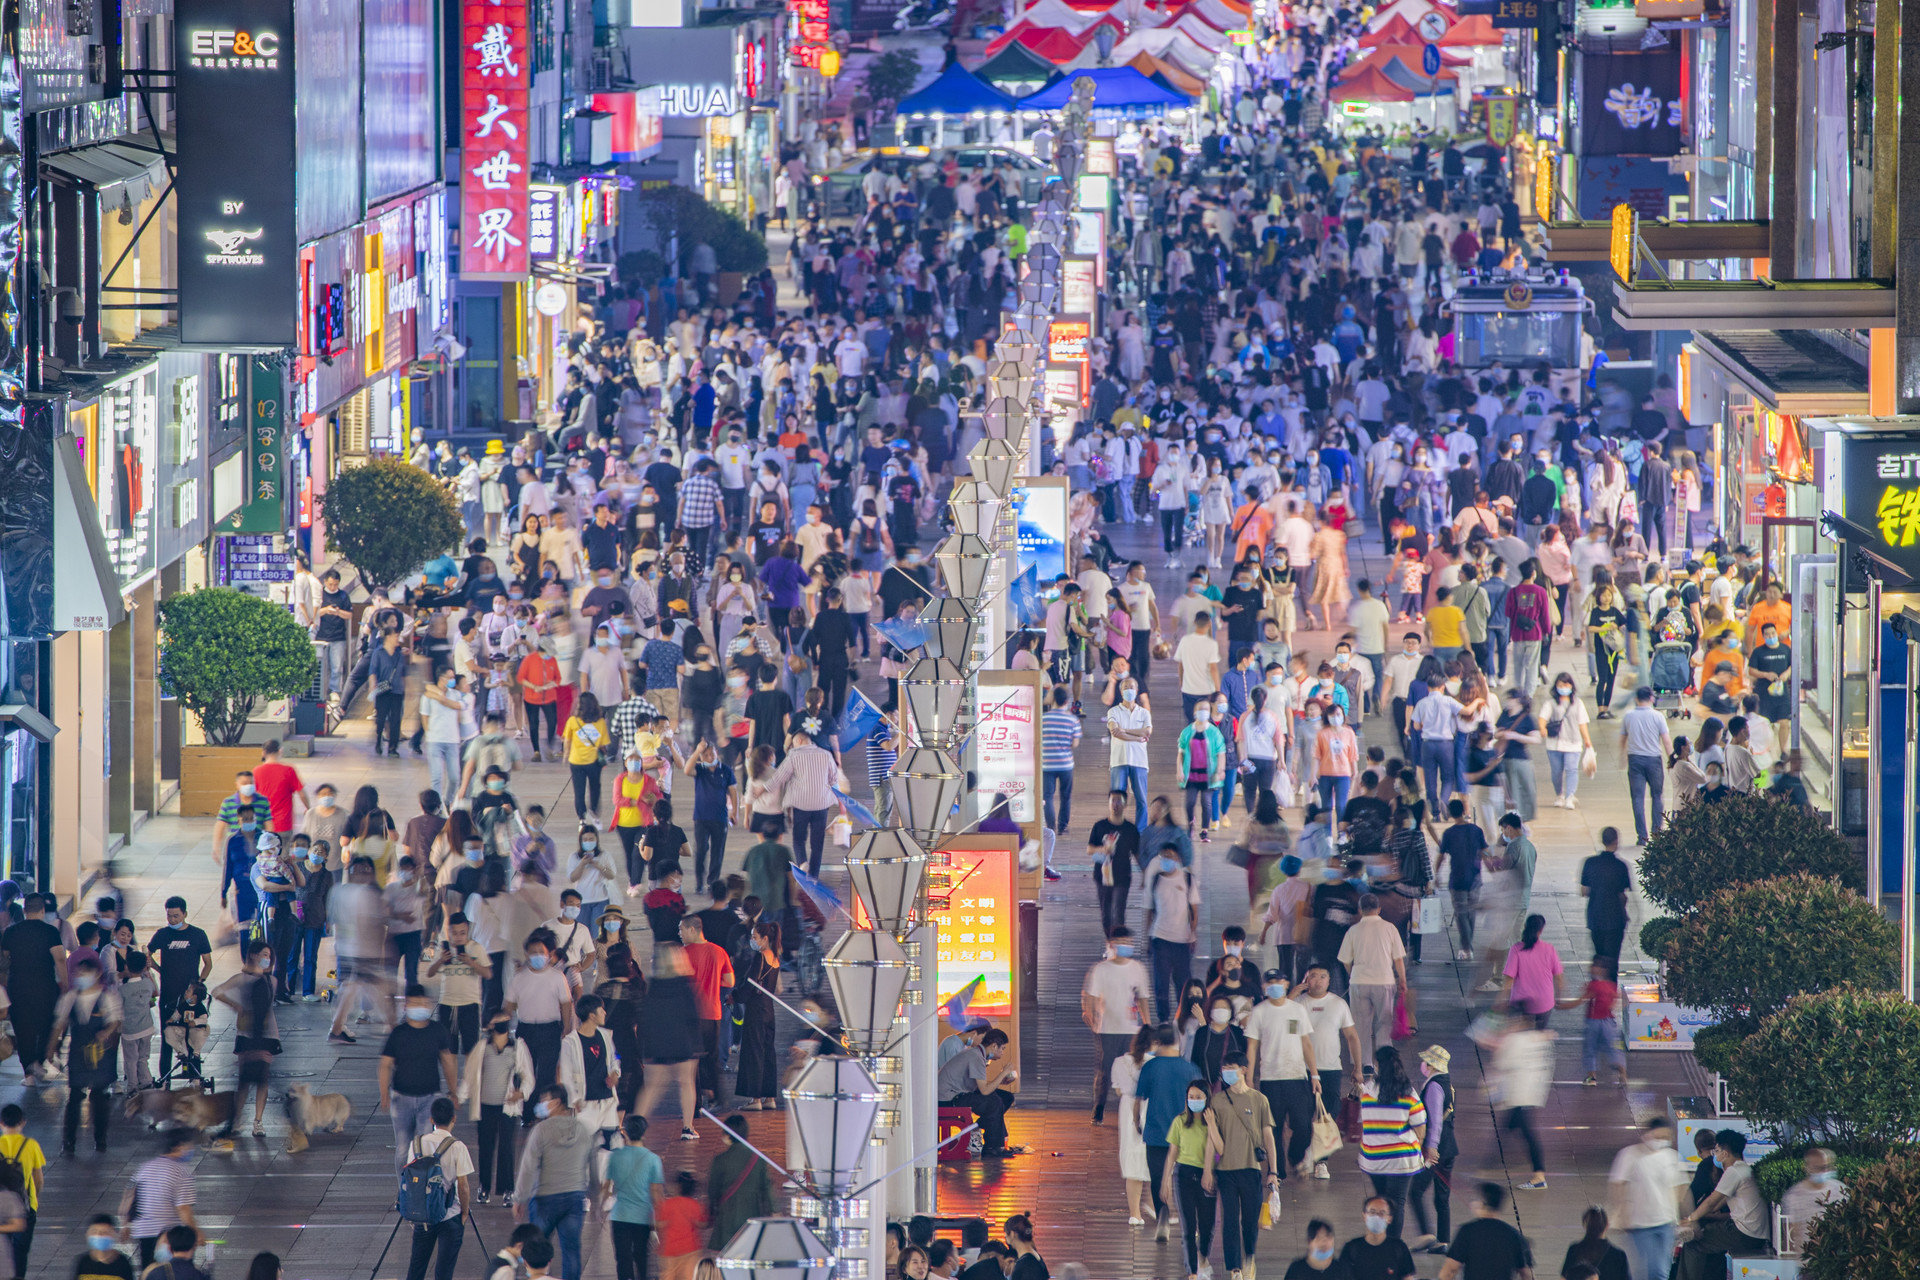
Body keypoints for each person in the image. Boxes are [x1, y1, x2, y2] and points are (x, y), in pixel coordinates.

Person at [1204, 1049, 1277, 1280]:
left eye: (1231, 1067)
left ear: (1243, 1069)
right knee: (1229, 1221)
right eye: (1224, 1068)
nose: (1226, 1072)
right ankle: (1235, 1268)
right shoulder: (1217, 1100)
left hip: (1251, 1169)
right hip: (1225, 1171)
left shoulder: (1259, 1099)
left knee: (1249, 1219)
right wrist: (1208, 1170)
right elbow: (1211, 1140)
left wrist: (1273, 1172)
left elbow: (1269, 1137)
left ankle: (1250, 1257)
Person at [1244, 968, 1320, 1180]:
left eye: (1279, 981)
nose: (1275, 986)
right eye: (1270, 983)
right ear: (1264, 987)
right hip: (1270, 1080)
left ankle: (1296, 1156)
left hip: (1297, 1078)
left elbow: (1306, 1043)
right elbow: (1252, 1047)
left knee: (1304, 1125)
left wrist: (1314, 1075)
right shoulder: (1259, 1012)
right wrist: (1249, 1078)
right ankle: (1277, 1171)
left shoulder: (1297, 1010)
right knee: (1273, 1129)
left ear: (1287, 984)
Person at [515, 1084, 596, 1280]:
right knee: (571, 1251)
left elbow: (528, 1167)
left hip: (544, 1199)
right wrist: (595, 1194)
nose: (541, 1104)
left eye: (544, 1100)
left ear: (557, 1102)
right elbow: (593, 1164)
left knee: (537, 1252)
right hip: (574, 1198)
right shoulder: (583, 1130)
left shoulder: (541, 1131)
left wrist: (520, 1197)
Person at [381, 984, 459, 1176]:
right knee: (402, 1149)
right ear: (406, 1005)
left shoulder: (437, 1031)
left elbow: (448, 1061)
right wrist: (384, 1093)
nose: (419, 1006)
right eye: (415, 1003)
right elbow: (385, 1064)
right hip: (401, 1098)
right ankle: (404, 1191)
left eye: (422, 1003)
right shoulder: (398, 1033)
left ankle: (421, 1189)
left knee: (423, 1147)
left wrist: (453, 1090)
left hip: (429, 1097)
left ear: (429, 1004)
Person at [1137, 1024, 1203, 1238]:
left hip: (1156, 1131)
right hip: (1186, 1133)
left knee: (1158, 1177)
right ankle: (1192, 1223)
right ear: (1177, 1041)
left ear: (1158, 1042)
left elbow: (1140, 1099)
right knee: (1188, 1178)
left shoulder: (1150, 1067)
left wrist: (1136, 1122)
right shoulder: (1190, 1068)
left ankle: (1162, 1217)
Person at [461, 1014, 534, 1206]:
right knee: (485, 1148)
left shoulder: (517, 1047)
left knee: (506, 1149)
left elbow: (528, 1076)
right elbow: (470, 1075)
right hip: (485, 1106)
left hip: (507, 1108)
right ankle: (484, 1187)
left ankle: (508, 1189)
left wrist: (521, 1094)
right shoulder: (482, 1048)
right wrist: (459, 1099)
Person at [1675, 1130, 1768, 1280]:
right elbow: (1719, 1203)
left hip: (1743, 1233)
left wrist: (1691, 1218)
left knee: (1693, 1243)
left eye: (1716, 1151)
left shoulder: (1734, 1172)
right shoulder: (1743, 1169)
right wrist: (1700, 1216)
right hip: (1751, 1232)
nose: (1715, 1155)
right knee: (1700, 1235)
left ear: (1725, 1153)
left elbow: (1712, 1201)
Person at [50, 955, 120, 1154]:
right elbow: (59, 1024)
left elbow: (115, 1021)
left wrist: (106, 1032)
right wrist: (51, 1048)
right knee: (74, 1097)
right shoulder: (70, 997)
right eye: (79, 973)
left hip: (100, 1053)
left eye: (85, 973)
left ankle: (101, 1139)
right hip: (78, 1053)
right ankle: (69, 1141)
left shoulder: (107, 997)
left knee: (99, 1098)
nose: (81, 976)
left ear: (97, 974)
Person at [1082, 926, 1151, 1124]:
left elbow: (1142, 997)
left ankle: (1131, 1109)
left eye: (1128, 943)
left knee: (1133, 1068)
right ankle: (1099, 1106)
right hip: (1107, 1029)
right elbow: (1092, 996)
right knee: (1104, 1069)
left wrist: (1147, 1023)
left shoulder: (1137, 968)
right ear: (1112, 945)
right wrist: (1092, 1016)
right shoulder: (1102, 969)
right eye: (1121, 942)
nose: (1125, 946)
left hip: (1131, 1029)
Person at [402, 1096, 474, 1280]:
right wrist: (464, 1212)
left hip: (423, 1215)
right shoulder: (458, 1147)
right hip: (450, 1215)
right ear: (454, 1118)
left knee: (416, 1268)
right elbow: (463, 1186)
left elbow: (411, 1179)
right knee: (444, 1271)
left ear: (431, 1120)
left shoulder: (416, 1144)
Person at [1357, 1046, 1426, 1238]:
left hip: (1373, 1159)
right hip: (1402, 1159)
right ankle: (1394, 1245)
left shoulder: (1368, 1092)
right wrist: (1418, 1148)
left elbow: (1366, 1122)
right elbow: (1420, 1125)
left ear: (1378, 1065)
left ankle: (1381, 1239)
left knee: (1382, 1201)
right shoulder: (1408, 1092)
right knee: (1397, 1203)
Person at [1608, 1118, 1686, 1280]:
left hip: (1666, 1223)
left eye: (1666, 1137)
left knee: (1662, 1269)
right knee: (1654, 1270)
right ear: (1648, 1134)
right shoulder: (1630, 1155)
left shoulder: (1672, 1157)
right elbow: (1618, 1184)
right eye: (1658, 1136)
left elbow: (1680, 1187)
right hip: (1640, 1224)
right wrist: (1622, 1212)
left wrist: (1684, 1215)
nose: (1662, 1141)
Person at [1337, 894, 1407, 1065]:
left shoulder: (1353, 930)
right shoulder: (1389, 928)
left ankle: (1363, 1064)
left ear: (1360, 910)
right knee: (1384, 1023)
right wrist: (1402, 980)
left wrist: (1353, 972)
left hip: (1359, 982)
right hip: (1384, 981)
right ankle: (1384, 1060)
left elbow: (1345, 959)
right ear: (1379, 909)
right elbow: (1398, 959)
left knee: (1361, 1025)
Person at [937, 1027, 1022, 1157]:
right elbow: (985, 1090)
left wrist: (1001, 1080)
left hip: (958, 1093)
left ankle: (980, 1128)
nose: (1003, 1052)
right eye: (1002, 1048)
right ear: (994, 1046)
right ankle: (992, 1147)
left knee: (1006, 1097)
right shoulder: (976, 1056)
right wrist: (1004, 1072)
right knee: (994, 1102)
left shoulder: (977, 1054)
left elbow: (982, 1087)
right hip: (948, 1099)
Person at [121, 1130, 199, 1267]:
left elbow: (128, 1195)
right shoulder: (181, 1171)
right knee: (175, 1272)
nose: (191, 1150)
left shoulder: (144, 1167)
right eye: (190, 1146)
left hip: (143, 1232)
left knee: (150, 1271)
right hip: (169, 1235)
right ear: (179, 1146)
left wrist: (125, 1224)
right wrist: (195, 1232)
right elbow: (183, 1208)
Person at [602, 1114, 667, 1280]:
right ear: (644, 1133)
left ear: (625, 1133)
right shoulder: (653, 1160)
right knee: (641, 1258)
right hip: (643, 1217)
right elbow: (656, 1191)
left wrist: (601, 1204)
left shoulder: (615, 1156)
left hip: (620, 1216)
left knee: (622, 1259)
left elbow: (606, 1187)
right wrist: (661, 1216)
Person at [1437, 1183, 1533, 1280]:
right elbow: (1526, 1274)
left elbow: (1449, 1271)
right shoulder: (1514, 1235)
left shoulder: (1467, 1231)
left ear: (1482, 1203)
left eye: (1475, 1199)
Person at [705, 1113, 773, 1247]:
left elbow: (713, 1190)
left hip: (726, 1217)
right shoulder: (757, 1159)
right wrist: (774, 1211)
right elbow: (767, 1187)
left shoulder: (720, 1160)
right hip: (752, 1215)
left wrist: (711, 1210)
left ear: (728, 1136)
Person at [1619, 687, 1673, 846]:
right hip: (1654, 760)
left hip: (1635, 760)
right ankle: (1657, 833)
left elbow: (1623, 739)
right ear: (1651, 698)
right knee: (1657, 796)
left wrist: (1622, 757)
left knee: (1637, 798)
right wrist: (1672, 760)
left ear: (1636, 698)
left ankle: (1642, 836)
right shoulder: (1658, 716)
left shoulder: (1628, 716)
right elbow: (1666, 740)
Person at [1777, 1147, 1848, 1253]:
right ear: (1807, 1168)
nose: (1823, 1171)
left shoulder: (1840, 1190)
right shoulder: (1794, 1195)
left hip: (1834, 1258)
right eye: (1817, 1168)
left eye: (1826, 1167)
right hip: (1806, 1258)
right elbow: (1792, 1231)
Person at [0, 1108, 41, 1277]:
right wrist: (34, 1199)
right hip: (25, 1205)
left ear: (1, 1123)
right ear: (23, 1122)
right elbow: (38, 1178)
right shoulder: (31, 1145)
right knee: (20, 1252)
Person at [1339, 1195, 1417, 1279]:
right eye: (1372, 1212)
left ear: (1389, 1218)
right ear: (1364, 1216)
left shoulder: (1399, 1248)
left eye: (1382, 1213)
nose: (1376, 1217)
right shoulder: (1351, 1248)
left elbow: (1407, 1277)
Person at [654, 1171, 707, 1280]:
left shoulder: (667, 1205)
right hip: (691, 1250)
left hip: (669, 1251)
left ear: (677, 1187)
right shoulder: (695, 1205)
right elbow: (702, 1224)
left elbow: (659, 1224)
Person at [1558, 1208, 1629, 1280]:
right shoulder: (1618, 1255)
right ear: (1607, 1225)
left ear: (1585, 1226)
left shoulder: (1574, 1250)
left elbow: (1564, 1278)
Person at [1284, 1220, 1355, 1279]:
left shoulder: (1342, 1269)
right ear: (1309, 1242)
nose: (1324, 1243)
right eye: (1319, 1238)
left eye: (1328, 1237)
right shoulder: (1297, 1269)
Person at [74, 1213, 135, 1280]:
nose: (99, 1235)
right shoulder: (83, 1262)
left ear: (113, 1235)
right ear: (88, 1234)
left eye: (104, 1232)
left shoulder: (122, 1263)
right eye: (95, 1231)